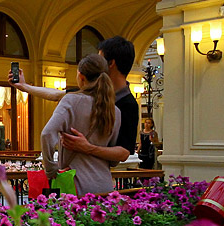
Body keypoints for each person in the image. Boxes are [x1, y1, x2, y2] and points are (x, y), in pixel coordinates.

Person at [9, 36, 138, 164]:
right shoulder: (90, 92)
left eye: (100, 58)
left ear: (111, 63)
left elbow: (124, 152)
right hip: (101, 176)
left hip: (83, 175)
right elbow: (56, 94)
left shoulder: (127, 104)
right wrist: (25, 87)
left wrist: (88, 148)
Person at [41, 54, 121, 196]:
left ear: (81, 76)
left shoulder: (71, 100)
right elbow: (113, 161)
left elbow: (47, 134)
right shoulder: (114, 111)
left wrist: (51, 170)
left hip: (75, 186)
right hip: (105, 186)